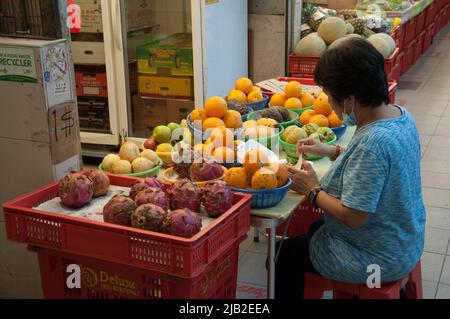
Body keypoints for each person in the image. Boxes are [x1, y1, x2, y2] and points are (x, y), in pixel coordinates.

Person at [275, 37, 426, 299]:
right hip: (405, 239)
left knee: (283, 257)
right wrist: (331, 151)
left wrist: (312, 189)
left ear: (349, 99)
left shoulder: (373, 142)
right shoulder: (399, 115)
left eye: (330, 97)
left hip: (378, 262)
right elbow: (377, 167)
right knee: (314, 230)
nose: (331, 105)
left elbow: (354, 217)